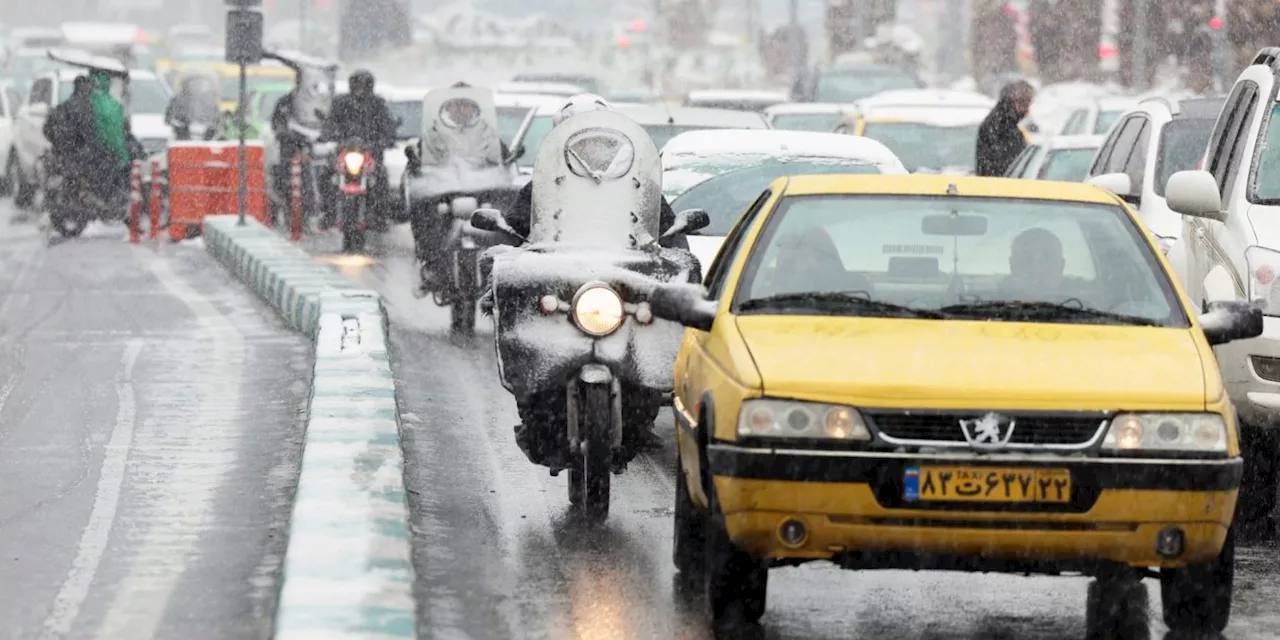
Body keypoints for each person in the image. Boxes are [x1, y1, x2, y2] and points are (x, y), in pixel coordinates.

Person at [501, 93, 678, 241]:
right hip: (557, 270)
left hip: (626, 272)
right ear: (559, 142)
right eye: (579, 141)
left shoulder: (638, 185)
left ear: (611, 140)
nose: (590, 147)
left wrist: (676, 239)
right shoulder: (543, 187)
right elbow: (513, 232)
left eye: (597, 140)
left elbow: (669, 231)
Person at [322, 69, 396, 229]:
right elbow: (329, 124)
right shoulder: (340, 103)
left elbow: (387, 127)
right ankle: (327, 213)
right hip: (343, 153)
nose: (360, 88)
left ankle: (380, 216)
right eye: (357, 84)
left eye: (364, 84)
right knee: (326, 174)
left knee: (381, 178)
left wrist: (384, 141)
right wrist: (331, 137)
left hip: (371, 154)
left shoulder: (378, 104)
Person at [88, 71, 132, 198]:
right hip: (110, 152)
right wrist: (121, 154)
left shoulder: (90, 101)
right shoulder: (114, 105)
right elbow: (116, 134)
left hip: (93, 152)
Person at [976, 80, 1035, 177]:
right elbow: (1006, 166)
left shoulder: (1006, 123)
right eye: (1026, 103)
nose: (1028, 110)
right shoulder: (1000, 127)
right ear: (1015, 102)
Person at [43, 75, 96, 172]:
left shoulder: (63, 107)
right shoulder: (89, 109)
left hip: (65, 157)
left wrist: (59, 146)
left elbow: (47, 129)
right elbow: (90, 134)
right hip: (82, 160)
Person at [1003, 227, 1066, 297]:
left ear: (1061, 267)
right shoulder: (992, 299)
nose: (1036, 270)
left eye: (1047, 260)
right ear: (1012, 266)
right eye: (1026, 260)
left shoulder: (1078, 301)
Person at [165, 72, 219, 140]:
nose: (196, 86)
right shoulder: (179, 99)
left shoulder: (209, 99)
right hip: (183, 135)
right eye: (193, 84)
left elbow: (216, 117)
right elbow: (169, 117)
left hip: (206, 136)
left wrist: (212, 125)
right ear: (186, 85)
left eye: (198, 84)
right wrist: (179, 123)